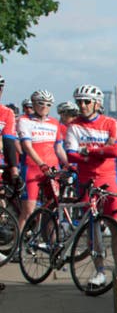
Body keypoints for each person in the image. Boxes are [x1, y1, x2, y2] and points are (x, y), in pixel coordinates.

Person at [66, 84, 117, 235]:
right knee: (92, 224)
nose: (82, 105)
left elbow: (115, 151)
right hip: (86, 180)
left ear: (97, 103)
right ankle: (96, 258)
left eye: (86, 102)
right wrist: (101, 151)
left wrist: (87, 151)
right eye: (79, 102)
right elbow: (71, 155)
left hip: (108, 178)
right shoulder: (74, 126)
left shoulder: (111, 123)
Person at [15, 90, 62, 229]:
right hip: (32, 168)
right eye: (40, 103)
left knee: (52, 209)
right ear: (34, 103)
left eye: (48, 104)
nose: (44, 107)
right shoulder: (24, 120)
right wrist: (42, 164)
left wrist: (69, 164)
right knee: (28, 209)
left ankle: (52, 244)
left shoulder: (54, 122)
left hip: (52, 168)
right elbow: (27, 147)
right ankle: (18, 244)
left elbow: (59, 149)